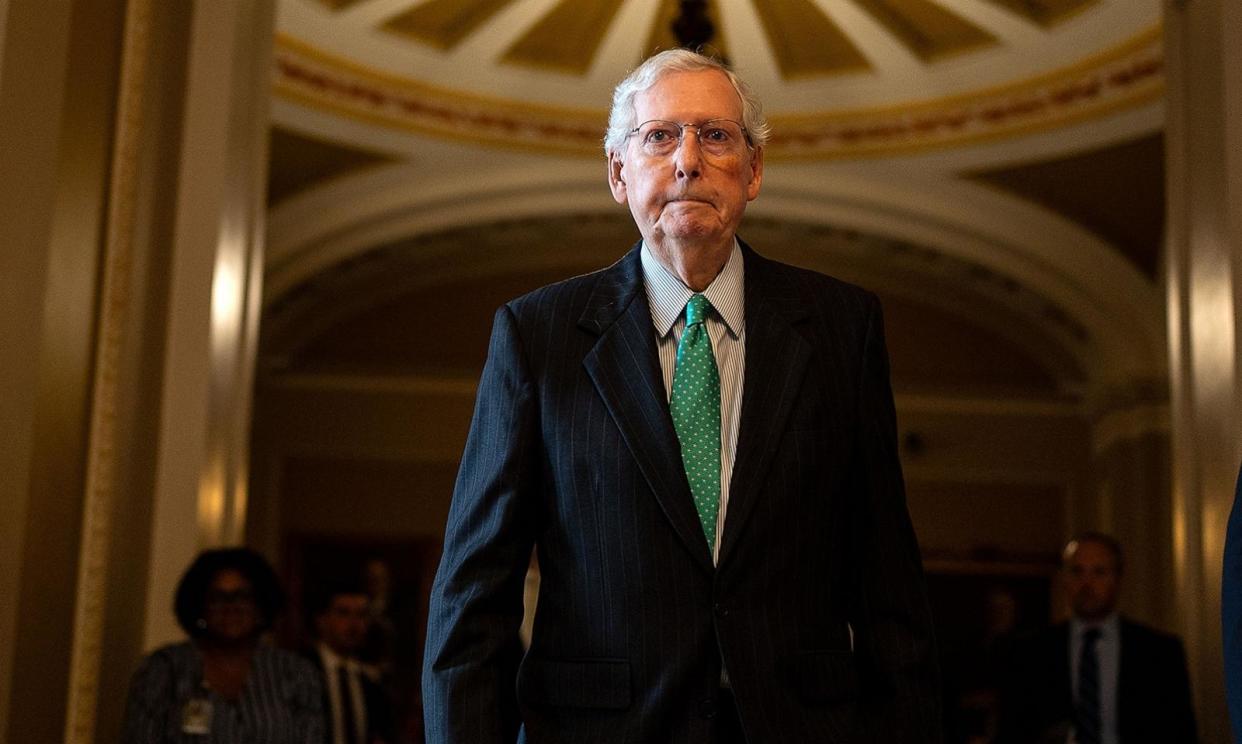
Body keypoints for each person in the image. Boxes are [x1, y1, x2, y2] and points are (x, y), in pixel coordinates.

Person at [422, 49, 940, 743]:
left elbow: (889, 588)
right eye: (660, 136)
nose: (688, 160)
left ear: (753, 171)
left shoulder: (842, 328)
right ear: (618, 172)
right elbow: (472, 597)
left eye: (716, 135)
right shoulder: (538, 335)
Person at [997, 533, 1197, 744]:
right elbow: (1011, 730)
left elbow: (1181, 731)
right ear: (1064, 578)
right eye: (1077, 571)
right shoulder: (1029, 652)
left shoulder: (1159, 651)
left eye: (1099, 572)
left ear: (1117, 579)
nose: (1087, 583)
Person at [122, 547, 324, 742]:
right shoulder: (164, 670)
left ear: (261, 604)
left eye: (242, 597)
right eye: (218, 598)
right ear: (200, 605)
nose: (231, 608)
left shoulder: (295, 673)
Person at [307, 577, 396, 744]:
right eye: (343, 613)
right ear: (322, 619)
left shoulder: (371, 681)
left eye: (361, 615)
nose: (354, 624)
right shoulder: (300, 670)